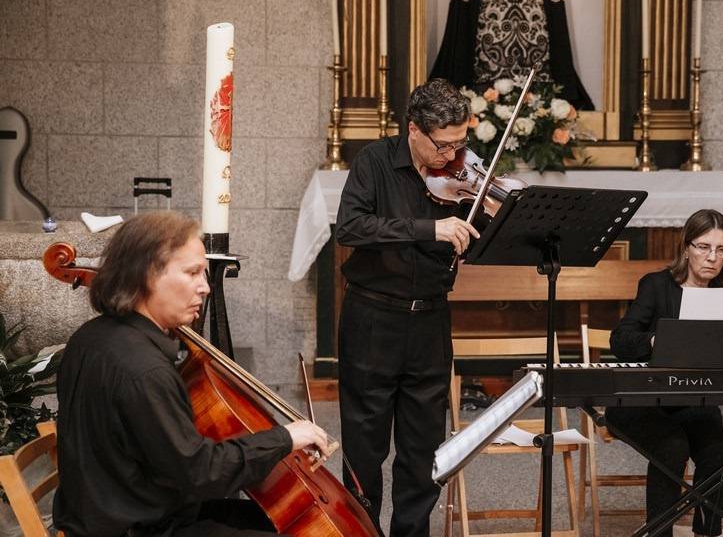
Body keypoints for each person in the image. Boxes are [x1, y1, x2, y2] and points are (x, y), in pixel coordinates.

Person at [53, 211, 329, 537]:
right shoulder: (145, 370)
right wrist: (285, 438)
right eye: (193, 273)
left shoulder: (91, 336)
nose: (206, 288)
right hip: (138, 527)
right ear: (146, 276)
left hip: (120, 509)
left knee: (281, 516)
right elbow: (201, 473)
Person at [335, 78, 480, 536]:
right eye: (444, 145)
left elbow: (476, 233)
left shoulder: (459, 173)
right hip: (374, 320)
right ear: (414, 129)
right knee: (365, 447)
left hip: (431, 323)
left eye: (461, 143)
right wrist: (428, 229)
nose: (453, 156)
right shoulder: (374, 162)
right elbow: (352, 228)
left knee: (422, 451)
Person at [605, 209, 723, 537]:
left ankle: (707, 531)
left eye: (722, 249)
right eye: (704, 247)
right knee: (672, 446)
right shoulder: (656, 285)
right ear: (686, 247)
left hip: (694, 400)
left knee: (720, 451)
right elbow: (621, 340)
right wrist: (656, 339)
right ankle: (659, 532)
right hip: (641, 401)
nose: (713, 257)